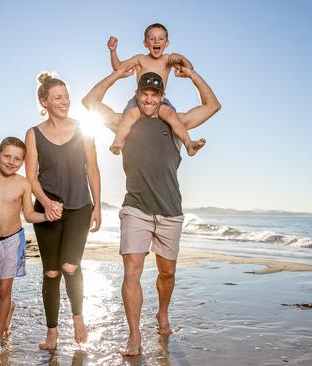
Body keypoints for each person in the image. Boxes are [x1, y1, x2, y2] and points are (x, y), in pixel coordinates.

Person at [82, 62, 221, 356]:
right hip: (136, 208)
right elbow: (90, 102)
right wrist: (117, 73)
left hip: (170, 210)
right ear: (137, 94)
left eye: (155, 95)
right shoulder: (123, 121)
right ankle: (135, 336)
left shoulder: (176, 121)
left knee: (167, 273)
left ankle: (162, 312)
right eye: (144, 94)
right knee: (131, 273)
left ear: (162, 96)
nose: (149, 100)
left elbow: (212, 105)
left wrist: (192, 74)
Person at [25, 72, 102, 351]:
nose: (65, 101)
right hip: (48, 210)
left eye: (67, 96)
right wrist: (45, 202)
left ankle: (78, 318)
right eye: (58, 97)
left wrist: (97, 207)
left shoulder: (84, 129)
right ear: (44, 101)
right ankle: (52, 333)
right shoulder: (33, 134)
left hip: (80, 206)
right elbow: (31, 176)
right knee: (52, 273)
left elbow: (92, 169)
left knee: (71, 266)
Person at [0, 136, 56, 353]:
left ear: (23, 162)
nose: (11, 161)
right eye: (7, 156)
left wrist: (47, 216)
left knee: (5, 290)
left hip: (13, 241)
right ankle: (8, 307)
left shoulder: (24, 184)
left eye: (17, 159)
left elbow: (30, 214)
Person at [107, 23, 205, 157]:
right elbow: (118, 67)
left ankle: (189, 144)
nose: (156, 41)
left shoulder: (167, 59)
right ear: (145, 43)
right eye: (152, 38)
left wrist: (182, 59)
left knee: (171, 115)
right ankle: (118, 142)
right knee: (129, 117)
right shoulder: (140, 59)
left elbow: (188, 69)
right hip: (140, 100)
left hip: (160, 101)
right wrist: (113, 51)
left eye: (161, 38)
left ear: (167, 43)